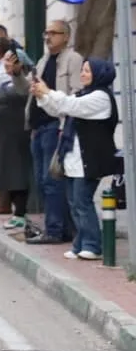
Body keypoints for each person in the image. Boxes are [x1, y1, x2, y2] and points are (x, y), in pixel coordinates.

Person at [32, 58, 118, 262]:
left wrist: (47, 91)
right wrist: (42, 97)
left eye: (87, 71)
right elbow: (59, 110)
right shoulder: (83, 94)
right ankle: (80, 243)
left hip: (89, 160)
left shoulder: (100, 97)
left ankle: (92, 245)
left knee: (82, 202)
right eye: (83, 70)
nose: (83, 74)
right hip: (73, 159)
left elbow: (71, 105)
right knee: (73, 202)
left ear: (99, 74)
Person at [26, 21, 82, 246]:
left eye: (54, 33)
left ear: (66, 37)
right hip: (39, 126)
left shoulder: (73, 59)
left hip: (56, 125)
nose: (48, 37)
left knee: (52, 180)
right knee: (42, 180)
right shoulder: (42, 60)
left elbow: (76, 93)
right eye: (46, 32)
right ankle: (65, 228)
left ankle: (55, 230)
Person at [0, 39, 33, 229]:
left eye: (11, 61)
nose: (6, 65)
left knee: (18, 173)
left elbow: (22, 93)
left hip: (18, 133)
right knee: (5, 171)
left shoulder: (25, 82)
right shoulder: (4, 82)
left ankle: (21, 212)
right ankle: (12, 208)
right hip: (4, 132)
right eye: (6, 61)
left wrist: (16, 72)